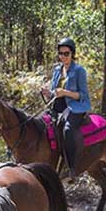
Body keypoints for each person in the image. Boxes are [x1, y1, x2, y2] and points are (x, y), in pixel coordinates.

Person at [41, 37, 91, 180]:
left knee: (68, 129)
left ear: (72, 53)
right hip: (58, 105)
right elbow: (54, 92)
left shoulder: (79, 70)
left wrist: (65, 93)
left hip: (75, 107)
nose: (63, 56)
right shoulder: (57, 69)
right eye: (61, 53)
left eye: (66, 53)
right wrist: (48, 93)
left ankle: (71, 168)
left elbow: (82, 95)